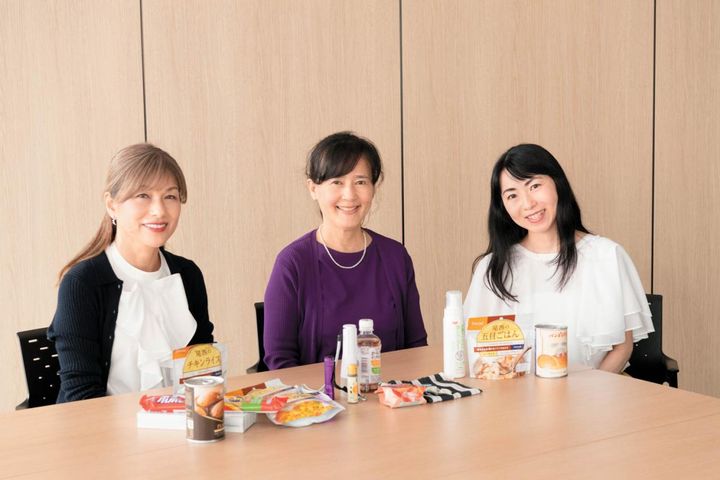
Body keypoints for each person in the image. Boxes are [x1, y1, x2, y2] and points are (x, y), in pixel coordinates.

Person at [465, 144, 653, 372]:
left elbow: (622, 348)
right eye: (512, 195)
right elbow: (480, 356)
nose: (528, 204)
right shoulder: (492, 268)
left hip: (594, 391)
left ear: (557, 183)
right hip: (514, 394)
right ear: (502, 206)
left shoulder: (605, 256)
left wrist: (589, 392)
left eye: (534, 186)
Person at [48, 144, 214, 402]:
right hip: (101, 425)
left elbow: (204, 372)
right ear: (112, 205)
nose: (159, 210)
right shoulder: (82, 283)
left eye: (170, 196)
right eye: (143, 195)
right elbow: (81, 396)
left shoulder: (188, 274)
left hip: (179, 422)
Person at [264, 132, 427, 369]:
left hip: (393, 391)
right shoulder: (293, 263)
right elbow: (280, 361)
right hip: (318, 393)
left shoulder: (395, 257)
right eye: (337, 182)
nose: (349, 195)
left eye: (360, 182)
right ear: (313, 188)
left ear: (373, 188)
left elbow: (416, 348)